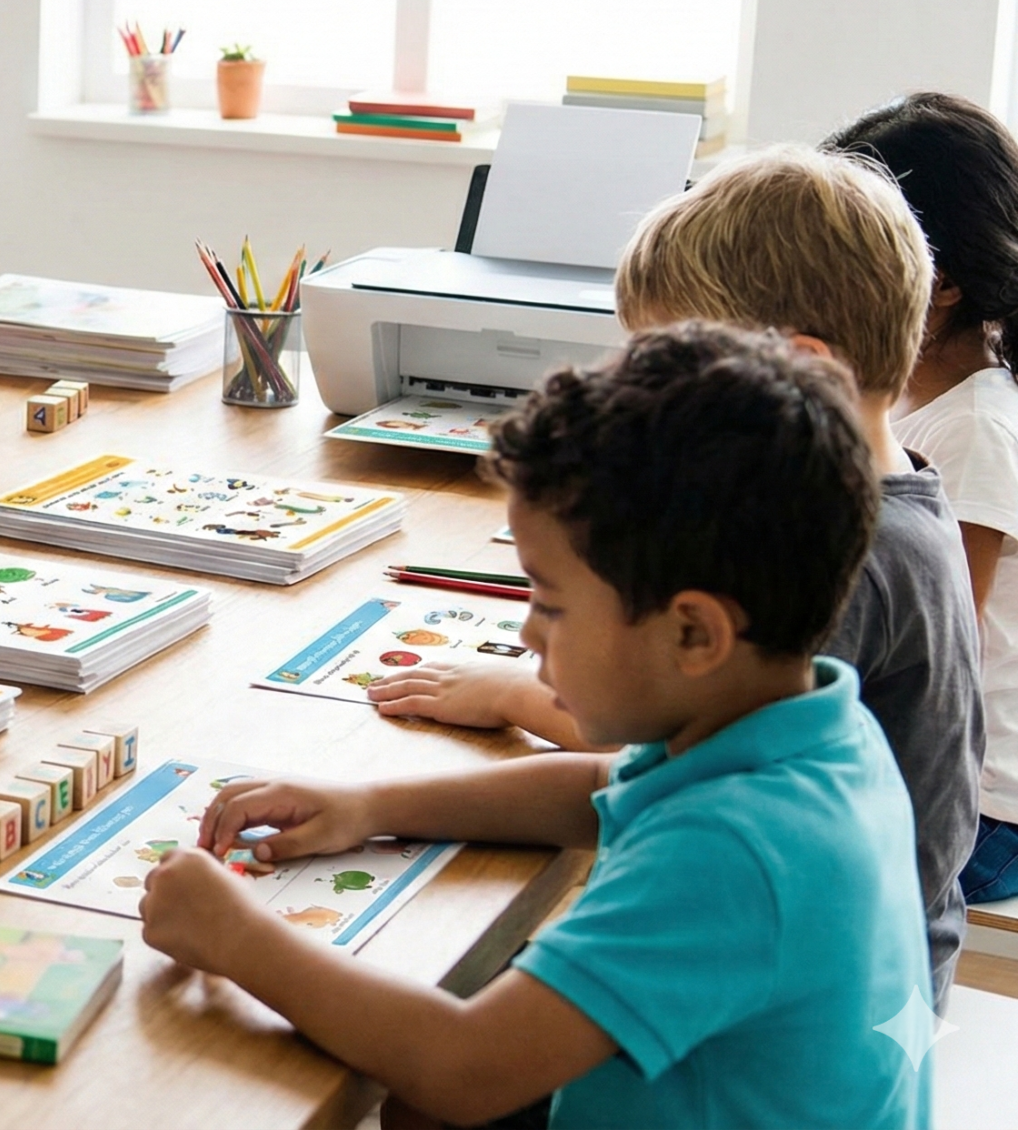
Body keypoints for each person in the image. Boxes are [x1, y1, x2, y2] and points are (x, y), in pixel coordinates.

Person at [140, 324, 932, 1130]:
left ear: (694, 634)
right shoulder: (812, 727)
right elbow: (596, 787)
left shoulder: (732, 850)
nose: (526, 634)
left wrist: (236, 938)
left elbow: (465, 1067)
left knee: (410, 1088)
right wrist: (371, 805)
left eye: (550, 604)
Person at [366, 145, 983, 1000]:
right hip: (843, 948)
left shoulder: (844, 559)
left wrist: (509, 696)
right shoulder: (886, 488)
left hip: (830, 985)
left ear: (804, 370)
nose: (647, 399)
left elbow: (636, 742)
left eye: (672, 371)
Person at [834, 92, 1018, 906]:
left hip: (978, 816)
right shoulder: (907, 402)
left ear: (935, 284)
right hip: (927, 767)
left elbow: (934, 655)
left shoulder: (973, 430)